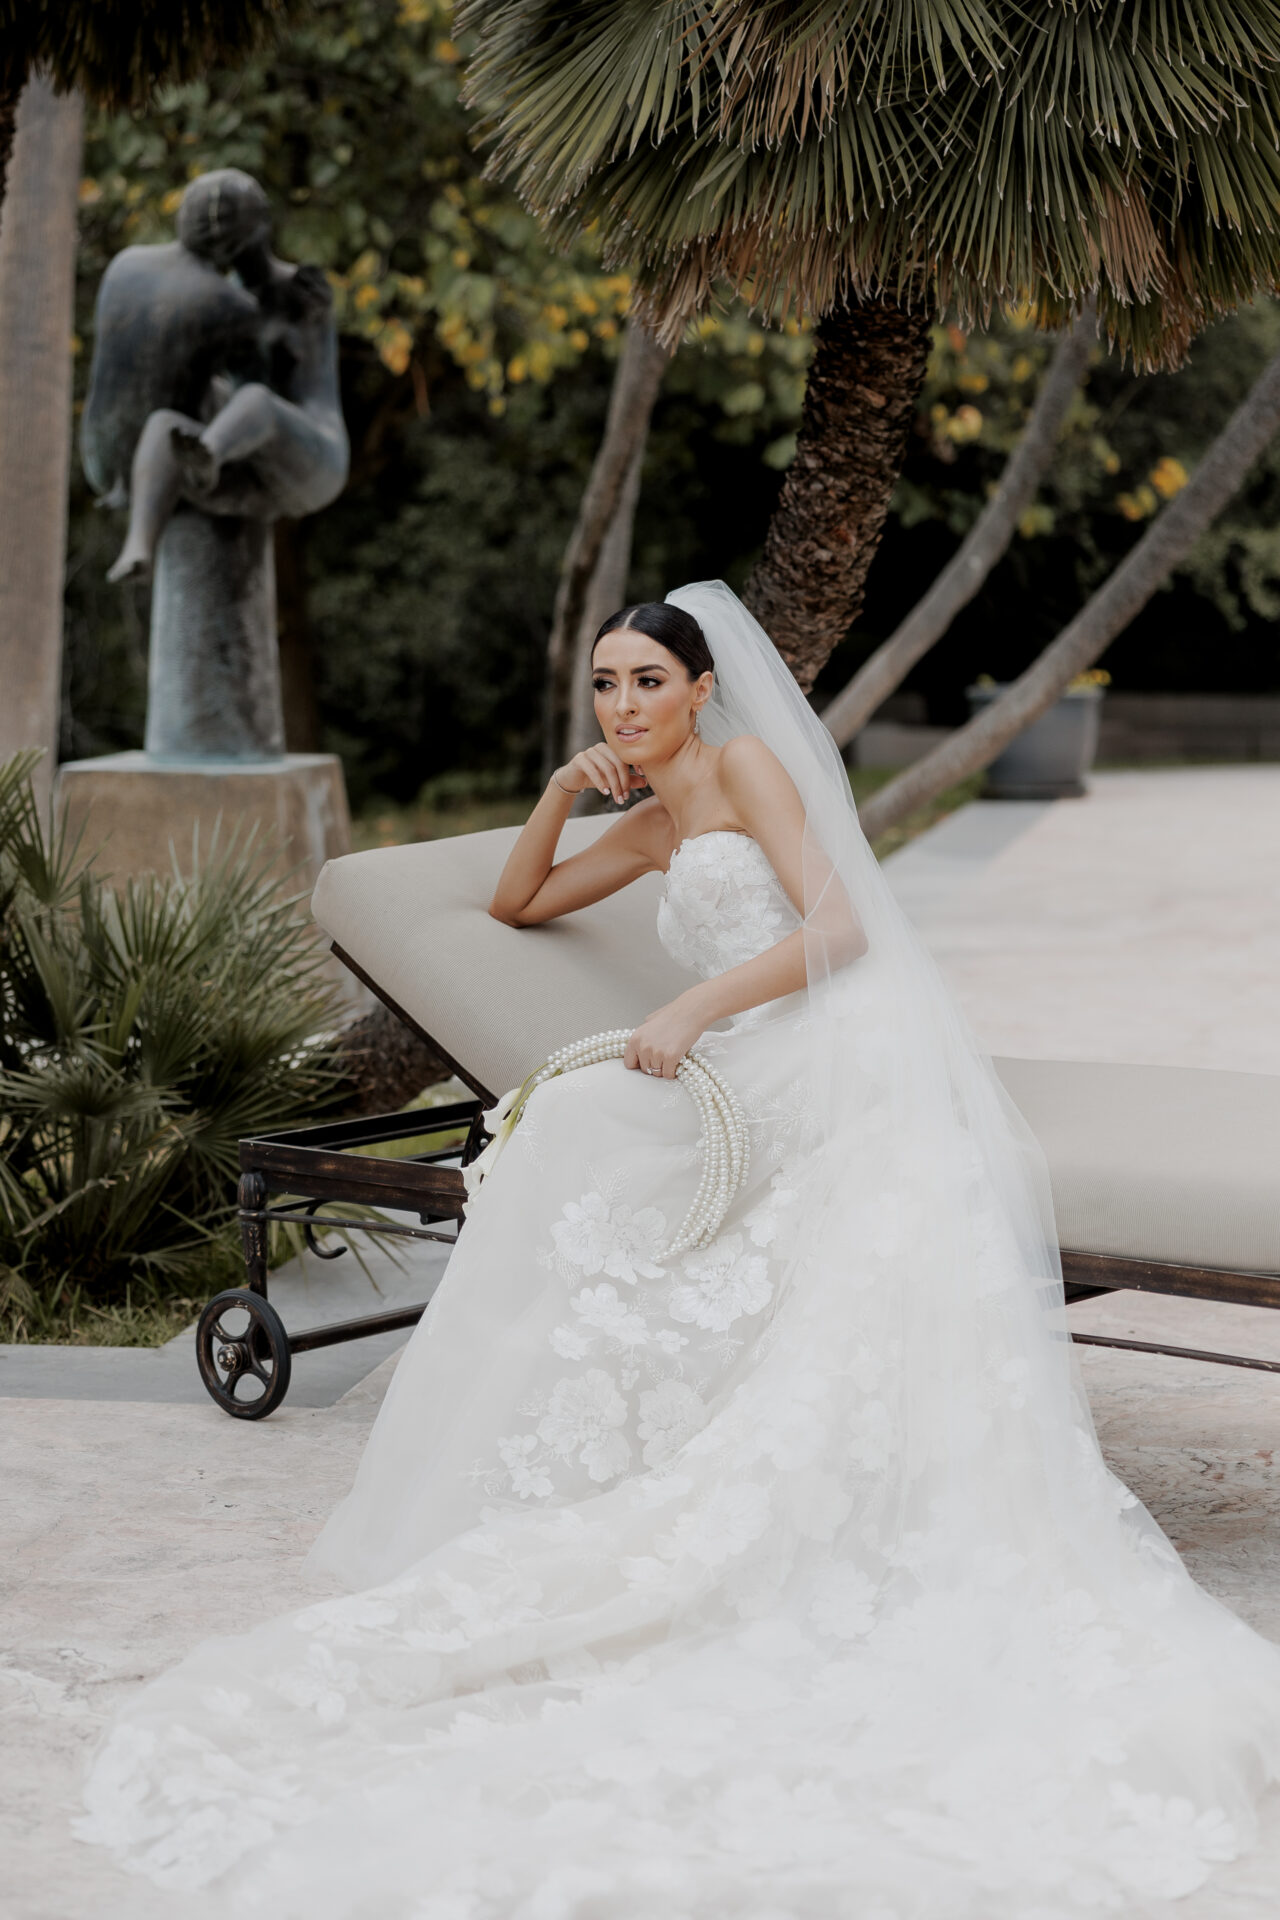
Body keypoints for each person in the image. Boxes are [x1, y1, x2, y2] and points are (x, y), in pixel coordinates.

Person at [79, 583, 1280, 1916]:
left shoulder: (750, 767)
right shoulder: (649, 823)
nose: (625, 705)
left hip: (833, 1045)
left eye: (648, 680)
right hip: (738, 1055)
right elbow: (522, 902)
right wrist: (558, 791)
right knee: (568, 1127)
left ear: (703, 690)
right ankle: (574, 1424)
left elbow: (841, 930)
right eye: (606, 685)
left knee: (632, 1143)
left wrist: (697, 1005)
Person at [97, 168, 349, 584]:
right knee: (163, 423)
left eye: (230, 244)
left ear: (258, 231)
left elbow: (285, 367)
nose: (220, 257)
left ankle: (207, 454)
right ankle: (138, 547)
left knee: (257, 400)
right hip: (245, 448)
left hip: (314, 451)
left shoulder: (301, 289)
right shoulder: (219, 295)